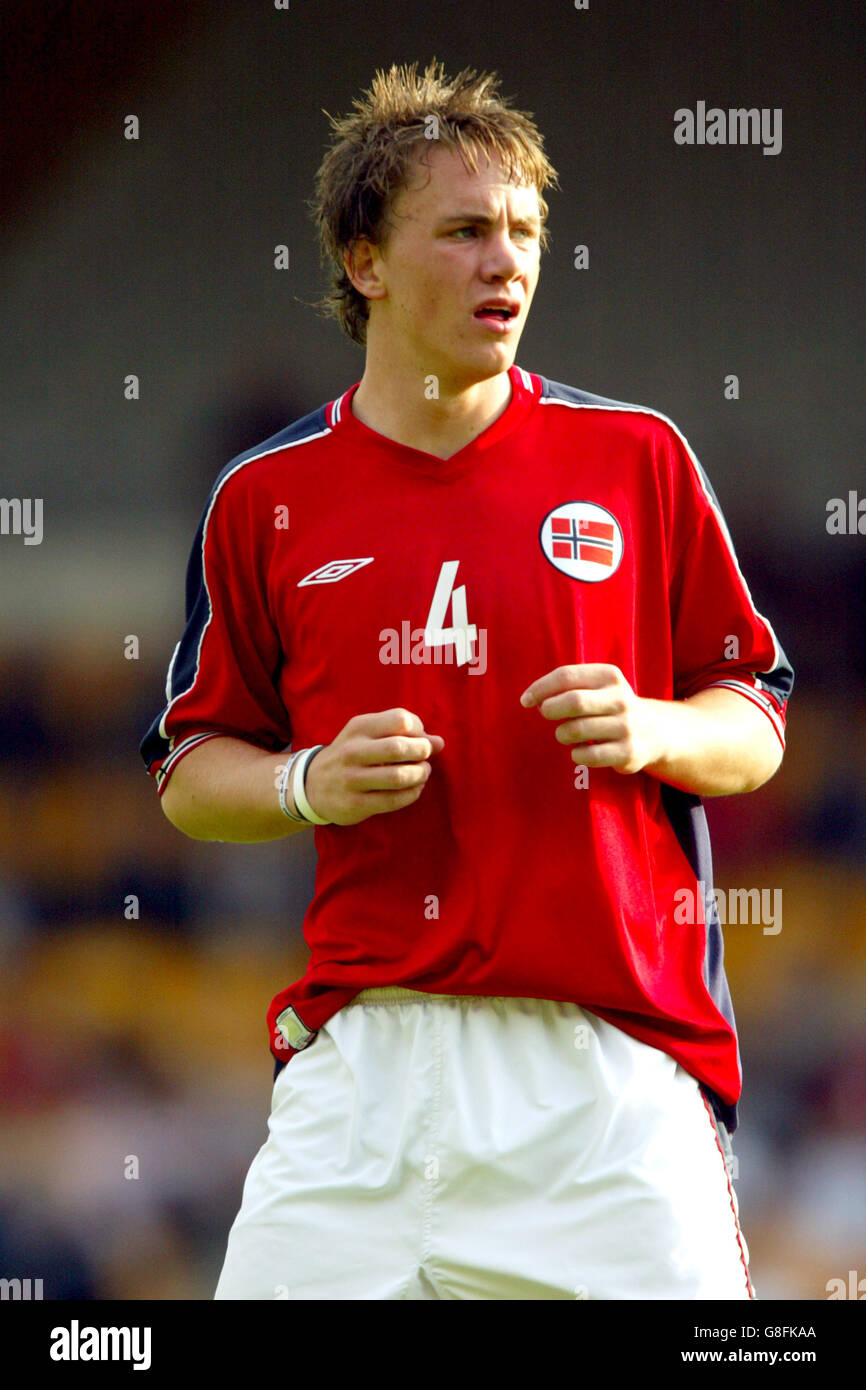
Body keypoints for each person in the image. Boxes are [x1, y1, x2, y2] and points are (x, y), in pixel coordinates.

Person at [140, 59, 793, 1300]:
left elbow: (753, 715)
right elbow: (189, 770)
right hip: (364, 1074)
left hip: (605, 1077)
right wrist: (307, 783)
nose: (508, 262)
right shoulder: (265, 499)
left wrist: (652, 724)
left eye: (525, 232)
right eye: (464, 231)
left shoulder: (636, 457)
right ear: (363, 260)